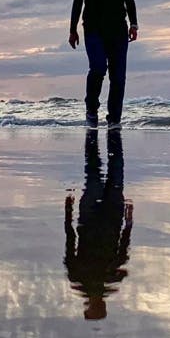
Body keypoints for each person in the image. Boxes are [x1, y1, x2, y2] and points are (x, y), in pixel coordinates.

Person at [69, 0, 138, 128]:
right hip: (93, 30)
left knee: (118, 77)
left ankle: (114, 119)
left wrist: (134, 24)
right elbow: (77, 3)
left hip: (118, 30)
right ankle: (91, 109)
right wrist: (72, 30)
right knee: (98, 68)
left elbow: (130, 2)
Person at [63, 129, 133, 320]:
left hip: (89, 217)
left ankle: (94, 133)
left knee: (94, 171)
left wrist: (68, 213)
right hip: (112, 216)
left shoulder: (77, 278)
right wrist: (128, 222)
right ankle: (103, 133)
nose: (97, 303)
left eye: (94, 308)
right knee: (115, 167)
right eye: (98, 308)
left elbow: (70, 242)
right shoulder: (113, 277)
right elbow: (123, 248)